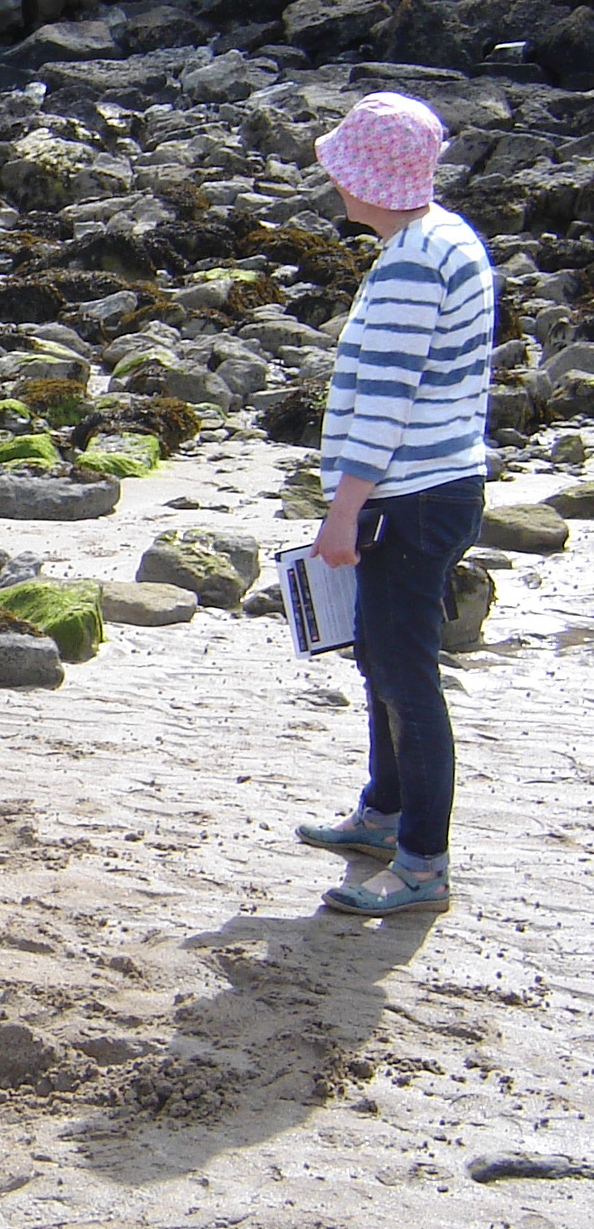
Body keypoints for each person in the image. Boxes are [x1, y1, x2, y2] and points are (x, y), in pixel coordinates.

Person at [295, 92, 493, 917]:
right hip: (429, 488)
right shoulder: (441, 238)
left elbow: (385, 398)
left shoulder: (415, 257)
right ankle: (382, 816)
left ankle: (422, 862)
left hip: (408, 497)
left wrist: (342, 511)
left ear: (367, 179)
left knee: (406, 675)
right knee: (379, 656)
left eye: (342, 169)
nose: (334, 184)